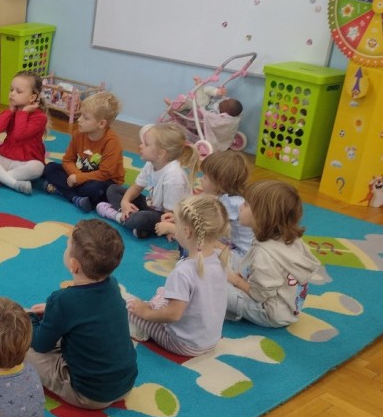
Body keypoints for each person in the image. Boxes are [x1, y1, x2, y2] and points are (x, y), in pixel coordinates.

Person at [24, 220, 137, 409]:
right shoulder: (113, 285)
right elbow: (86, 312)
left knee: (19, 343)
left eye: (67, 245)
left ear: (74, 265)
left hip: (89, 394)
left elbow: (41, 344)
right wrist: (54, 312)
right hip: (126, 383)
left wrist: (29, 319)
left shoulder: (63, 301)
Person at [127, 194, 229, 356]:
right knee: (164, 293)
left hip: (182, 343)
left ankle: (141, 328)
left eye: (176, 224)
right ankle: (155, 304)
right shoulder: (219, 258)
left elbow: (173, 315)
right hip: (211, 339)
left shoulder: (183, 272)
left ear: (187, 232)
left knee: (130, 307)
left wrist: (145, 312)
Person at [226, 180, 320, 328]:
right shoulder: (287, 237)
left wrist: (236, 281)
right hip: (280, 300)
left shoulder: (265, 255)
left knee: (215, 288)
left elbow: (260, 295)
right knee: (224, 259)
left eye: (246, 204)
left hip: (269, 312)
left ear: (261, 216)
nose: (240, 206)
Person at [97, 122, 199, 239]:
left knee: (140, 219)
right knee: (113, 189)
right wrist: (124, 202)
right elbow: (136, 187)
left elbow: (169, 214)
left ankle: (118, 216)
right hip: (152, 205)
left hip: (169, 215)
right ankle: (131, 219)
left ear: (161, 153)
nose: (141, 146)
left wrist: (168, 229)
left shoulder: (173, 177)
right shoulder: (151, 164)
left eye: (146, 144)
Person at [156, 150, 253, 264]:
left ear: (220, 182)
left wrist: (172, 228)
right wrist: (178, 218)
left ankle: (189, 263)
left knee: (192, 239)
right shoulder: (229, 198)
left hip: (238, 259)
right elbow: (198, 216)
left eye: (205, 177)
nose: (201, 179)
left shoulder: (230, 204)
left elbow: (200, 227)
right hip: (232, 249)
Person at [40, 91, 125, 212]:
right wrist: (76, 176)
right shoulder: (78, 134)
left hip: (103, 181)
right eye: (80, 115)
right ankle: (75, 198)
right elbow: (67, 160)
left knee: (95, 189)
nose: (79, 120)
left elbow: (104, 174)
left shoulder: (112, 142)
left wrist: (78, 178)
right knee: (50, 168)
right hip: (79, 174)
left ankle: (60, 190)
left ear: (101, 123)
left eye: (85, 118)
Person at [0, 71, 47, 195]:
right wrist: (10, 111)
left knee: (38, 168)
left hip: (26, 162)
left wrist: (23, 113)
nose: (12, 94)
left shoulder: (40, 117)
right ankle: (13, 183)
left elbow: (19, 134)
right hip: (6, 158)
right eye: (12, 90)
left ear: (32, 98)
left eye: (19, 91)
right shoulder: (12, 111)